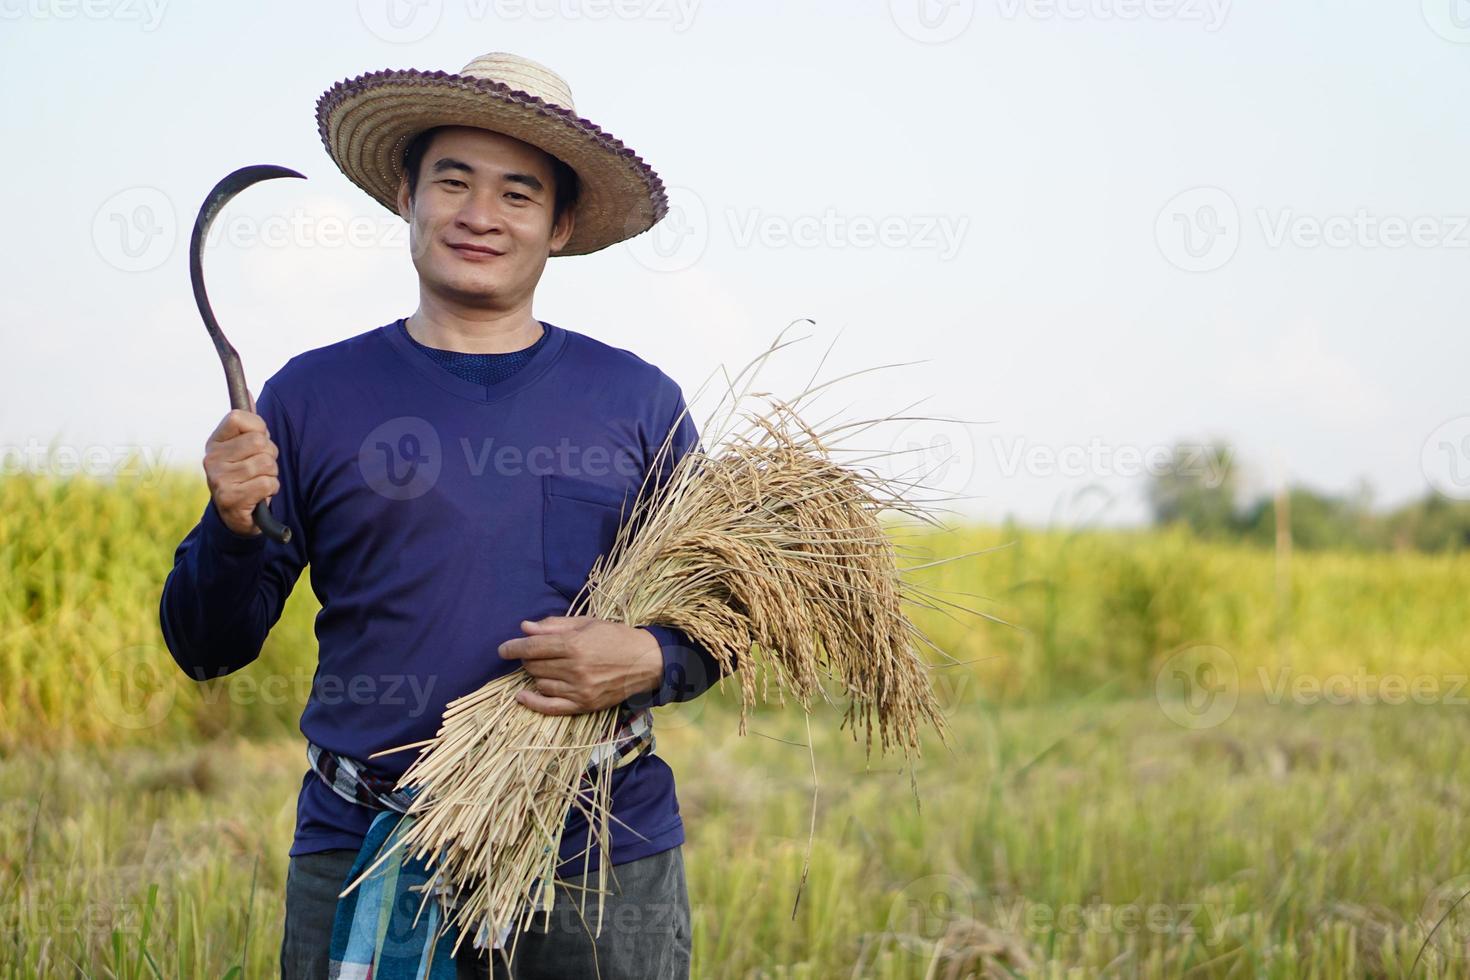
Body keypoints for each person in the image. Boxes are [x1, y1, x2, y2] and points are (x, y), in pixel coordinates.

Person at [158, 51, 731, 980]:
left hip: (594, 863)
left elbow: (722, 622)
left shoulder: (634, 401)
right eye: (453, 180)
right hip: (364, 847)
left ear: (561, 223)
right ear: (405, 197)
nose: (479, 215)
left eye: (518, 192)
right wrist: (229, 527)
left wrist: (650, 657)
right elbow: (207, 647)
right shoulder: (311, 397)